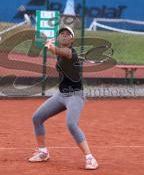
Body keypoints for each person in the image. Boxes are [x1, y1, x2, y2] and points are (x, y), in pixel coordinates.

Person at [28, 26, 98, 170]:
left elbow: (60, 51)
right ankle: (43, 152)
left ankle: (90, 158)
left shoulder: (69, 52)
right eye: (62, 34)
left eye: (67, 34)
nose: (64, 36)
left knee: (71, 124)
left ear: (72, 39)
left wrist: (51, 47)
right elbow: (58, 52)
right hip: (61, 95)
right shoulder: (62, 53)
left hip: (75, 96)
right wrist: (51, 44)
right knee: (37, 118)